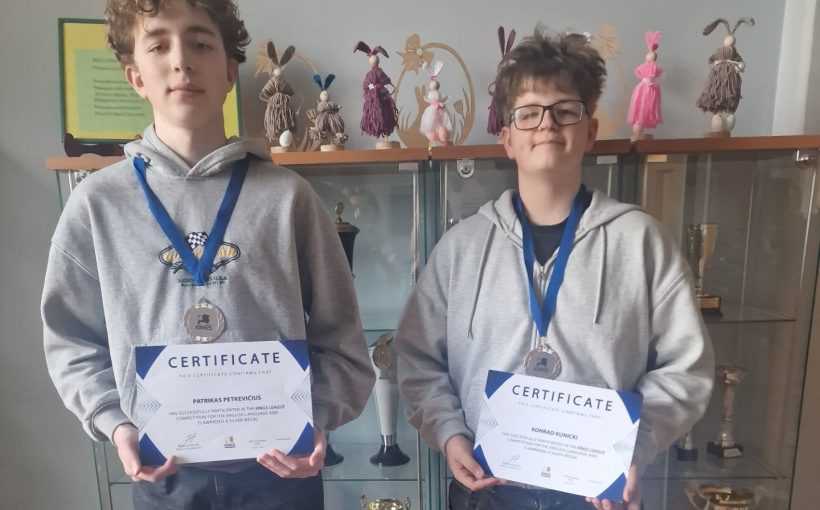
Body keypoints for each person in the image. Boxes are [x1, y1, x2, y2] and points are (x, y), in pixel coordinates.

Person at [41, 1, 375, 509]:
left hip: (281, 476)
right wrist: (117, 423)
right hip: (164, 479)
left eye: (200, 44)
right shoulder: (96, 205)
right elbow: (70, 342)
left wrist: (316, 418)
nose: (181, 61)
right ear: (135, 76)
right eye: (159, 45)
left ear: (229, 72)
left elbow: (342, 341)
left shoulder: (289, 199)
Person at [395, 28, 714, 510]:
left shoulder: (641, 243)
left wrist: (633, 447)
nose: (546, 124)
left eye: (565, 110)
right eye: (528, 113)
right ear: (507, 139)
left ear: (590, 132)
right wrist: (450, 433)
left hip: (594, 496)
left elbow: (686, 367)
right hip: (486, 491)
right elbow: (417, 358)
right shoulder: (460, 249)